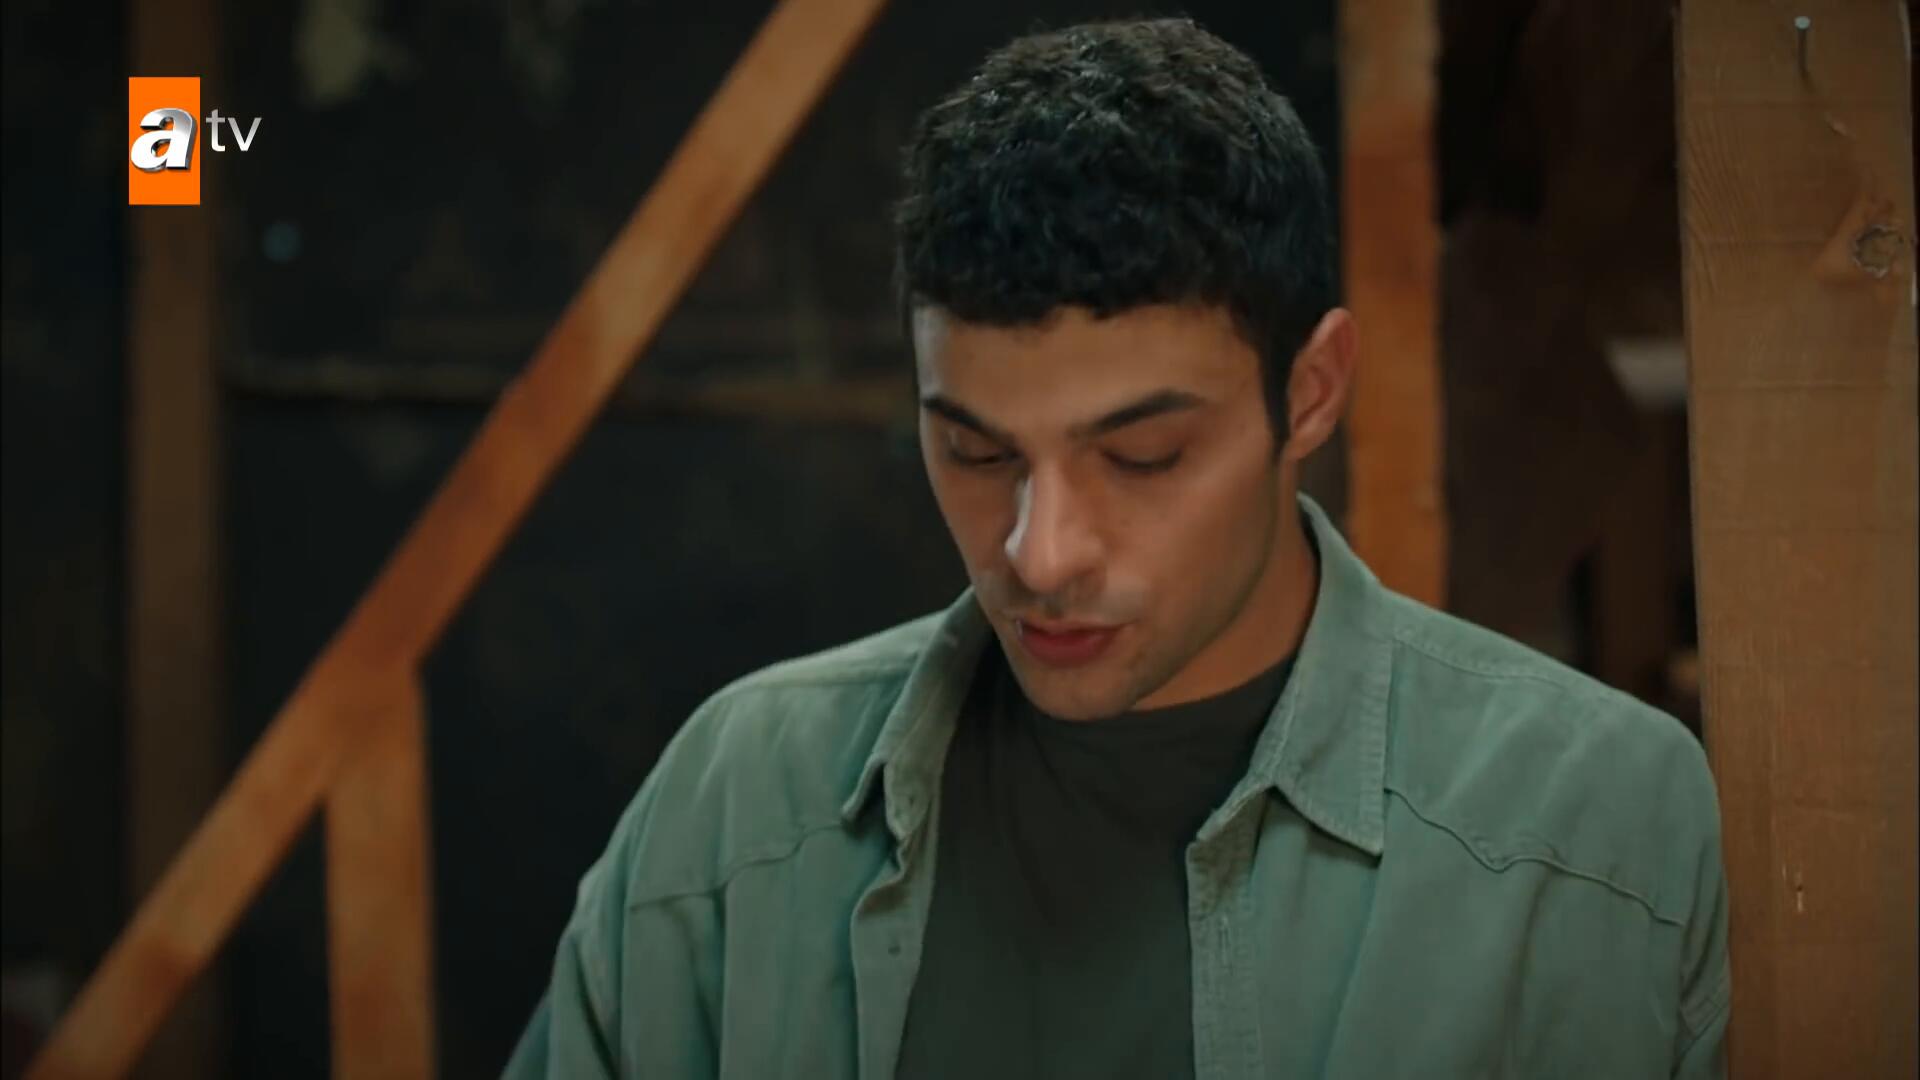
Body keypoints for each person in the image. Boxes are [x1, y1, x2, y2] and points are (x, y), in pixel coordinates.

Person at [506, 17, 1730, 1079]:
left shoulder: (1598, 829)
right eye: (975, 451)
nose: (1041, 556)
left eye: (1143, 456)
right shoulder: (736, 804)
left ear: (1309, 393)